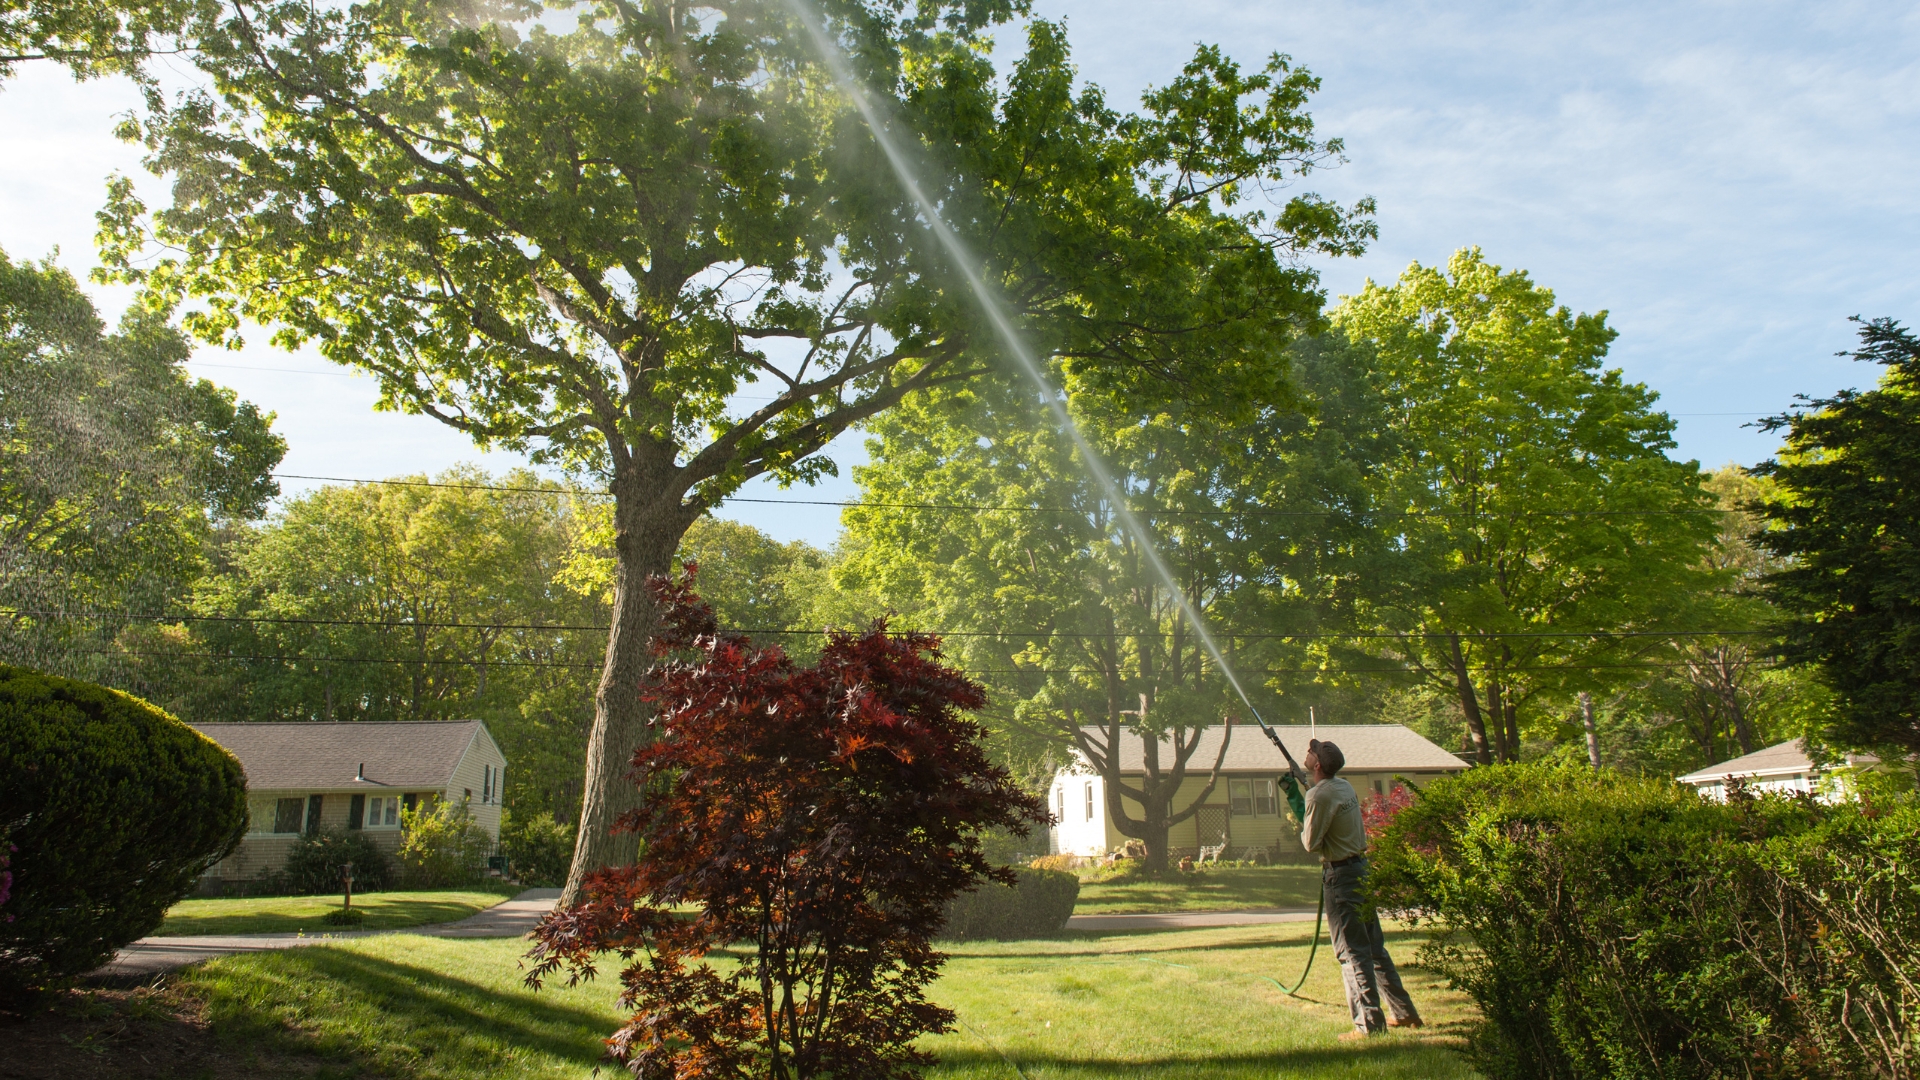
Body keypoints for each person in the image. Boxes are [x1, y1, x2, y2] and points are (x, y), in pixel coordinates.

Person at [1296, 738, 1422, 1040]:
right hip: (1360, 871)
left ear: (1318, 764)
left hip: (1340, 877)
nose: (1308, 752)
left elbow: (1311, 843)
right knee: (1374, 948)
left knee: (1352, 953)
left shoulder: (1319, 794)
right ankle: (1404, 1013)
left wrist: (1301, 803)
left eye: (1312, 752)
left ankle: (1368, 1025)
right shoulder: (1344, 787)